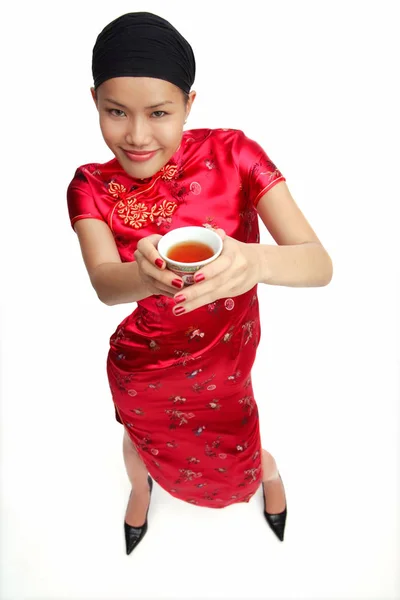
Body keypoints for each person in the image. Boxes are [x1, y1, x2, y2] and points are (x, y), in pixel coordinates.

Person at [67, 12, 333, 555]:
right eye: (115, 112)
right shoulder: (90, 185)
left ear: (190, 104)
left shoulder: (234, 154)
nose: (137, 136)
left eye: (159, 113)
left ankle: (269, 476)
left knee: (243, 444)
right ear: (94, 99)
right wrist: (139, 276)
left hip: (225, 362)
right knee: (138, 439)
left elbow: (319, 263)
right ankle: (139, 487)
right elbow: (103, 283)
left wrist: (255, 263)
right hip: (144, 364)